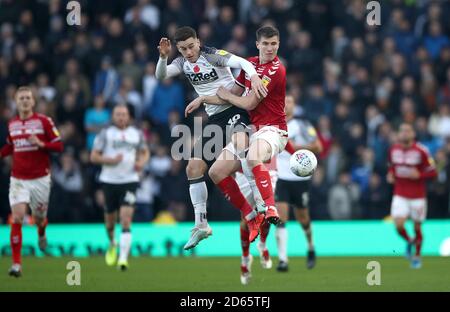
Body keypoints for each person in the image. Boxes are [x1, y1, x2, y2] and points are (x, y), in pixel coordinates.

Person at [156, 26, 268, 250]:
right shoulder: (181, 63)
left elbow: (243, 63)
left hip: (235, 109)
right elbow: (161, 75)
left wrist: (254, 78)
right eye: (183, 49)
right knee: (193, 168)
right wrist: (162, 57)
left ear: (198, 41)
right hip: (215, 119)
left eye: (190, 46)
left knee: (240, 143)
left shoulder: (212, 55)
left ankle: (260, 201)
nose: (188, 52)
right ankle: (202, 225)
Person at [192, 25, 287, 242]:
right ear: (258, 45)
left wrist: (227, 96)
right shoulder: (251, 65)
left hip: (273, 130)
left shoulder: (276, 70)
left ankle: (270, 209)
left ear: (278, 44)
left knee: (252, 155)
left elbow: (249, 101)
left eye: (274, 44)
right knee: (216, 171)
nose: (270, 48)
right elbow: (233, 93)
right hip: (253, 130)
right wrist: (204, 98)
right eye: (266, 44)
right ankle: (252, 216)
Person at [0, 86, 63, 277]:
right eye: (21, 98)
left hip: (40, 179)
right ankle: (16, 264)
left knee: (39, 219)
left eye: (28, 98)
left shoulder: (44, 121)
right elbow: (10, 147)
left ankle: (41, 232)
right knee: (17, 217)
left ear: (33, 102)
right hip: (18, 178)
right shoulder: (12, 124)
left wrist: (42, 144)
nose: (25, 101)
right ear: (16, 102)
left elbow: (59, 146)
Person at [90, 104, 150, 271]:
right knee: (110, 222)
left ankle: (123, 259)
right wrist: (110, 160)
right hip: (109, 181)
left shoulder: (136, 134)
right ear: (113, 116)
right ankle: (112, 243)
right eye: (118, 114)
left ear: (129, 117)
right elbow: (93, 156)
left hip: (130, 180)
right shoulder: (105, 134)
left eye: (124, 114)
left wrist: (141, 163)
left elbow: (145, 152)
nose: (121, 117)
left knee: (125, 219)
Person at [274, 95, 323, 272]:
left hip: (300, 178)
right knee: (281, 217)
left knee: (303, 218)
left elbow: (318, 146)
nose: (287, 105)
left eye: (290, 102)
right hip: (280, 177)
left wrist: (298, 147)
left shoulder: (303, 125)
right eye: (284, 102)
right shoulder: (273, 125)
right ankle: (283, 260)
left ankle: (310, 246)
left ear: (294, 106)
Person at [387, 123, 437, 269]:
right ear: (398, 134)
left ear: (413, 134)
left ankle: (417, 256)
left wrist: (420, 174)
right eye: (402, 131)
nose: (404, 133)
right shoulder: (393, 150)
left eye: (407, 131)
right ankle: (409, 241)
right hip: (400, 193)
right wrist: (390, 174)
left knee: (417, 226)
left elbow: (433, 172)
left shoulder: (422, 151)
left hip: (417, 196)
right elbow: (392, 166)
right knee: (398, 224)